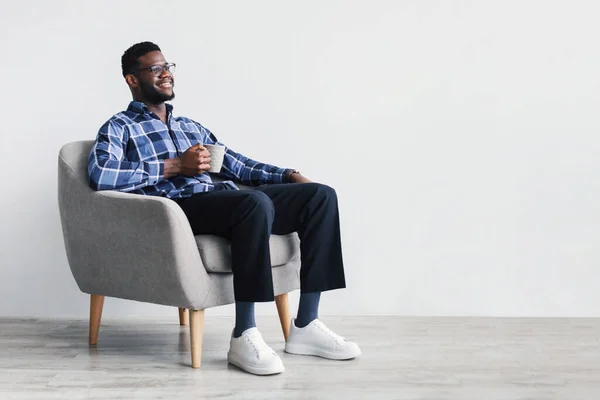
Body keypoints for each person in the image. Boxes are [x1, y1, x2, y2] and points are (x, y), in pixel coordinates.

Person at [88, 41, 360, 375]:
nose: (166, 74)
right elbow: (101, 174)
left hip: (224, 198)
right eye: (155, 69)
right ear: (132, 80)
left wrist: (288, 175)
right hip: (181, 210)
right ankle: (244, 334)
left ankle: (306, 325)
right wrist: (174, 166)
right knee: (253, 203)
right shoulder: (119, 127)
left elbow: (237, 165)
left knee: (320, 196)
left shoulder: (191, 127)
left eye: (167, 67)